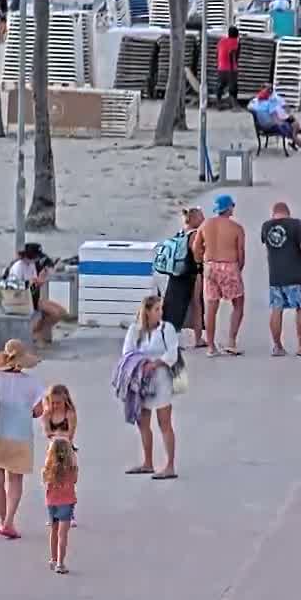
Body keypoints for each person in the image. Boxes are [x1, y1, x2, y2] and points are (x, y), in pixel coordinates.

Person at [0, 339, 47, 540]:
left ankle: (3, 522)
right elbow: (39, 410)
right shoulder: (32, 382)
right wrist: (26, 412)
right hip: (21, 436)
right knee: (15, 481)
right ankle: (9, 521)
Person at [118, 294, 182, 479]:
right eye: (156, 309)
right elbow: (127, 352)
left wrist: (155, 363)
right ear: (147, 311)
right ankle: (148, 462)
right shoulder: (135, 330)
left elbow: (172, 354)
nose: (160, 313)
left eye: (161, 309)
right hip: (141, 379)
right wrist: (142, 364)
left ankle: (170, 465)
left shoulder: (166, 328)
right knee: (143, 422)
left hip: (161, 379)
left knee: (165, 422)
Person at [260, 201, 301, 356]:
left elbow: (268, 246)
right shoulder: (296, 224)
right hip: (295, 275)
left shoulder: (266, 226)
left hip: (276, 276)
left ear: (274, 213)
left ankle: (277, 347)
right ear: (288, 212)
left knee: (276, 309)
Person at [198, 194, 247, 355]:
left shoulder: (205, 225)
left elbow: (195, 246)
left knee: (211, 307)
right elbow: (240, 253)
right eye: (233, 205)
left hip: (210, 266)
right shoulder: (237, 228)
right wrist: (237, 269)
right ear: (229, 208)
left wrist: (202, 262)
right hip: (229, 266)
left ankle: (211, 347)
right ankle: (231, 341)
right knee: (238, 304)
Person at [161, 207, 208, 348]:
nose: (204, 219)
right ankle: (197, 339)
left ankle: (169, 338)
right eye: (201, 216)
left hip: (176, 272)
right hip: (191, 273)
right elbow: (197, 255)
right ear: (193, 219)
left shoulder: (181, 233)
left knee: (174, 305)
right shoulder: (195, 234)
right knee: (196, 306)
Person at [4, 242, 67, 345]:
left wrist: (41, 279)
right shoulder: (18, 267)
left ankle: (37, 331)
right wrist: (34, 283)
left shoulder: (31, 265)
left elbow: (34, 284)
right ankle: (36, 333)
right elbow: (15, 289)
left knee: (61, 311)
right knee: (54, 314)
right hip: (20, 300)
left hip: (32, 297)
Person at [43, 437, 77, 574]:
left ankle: (53, 558)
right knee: (63, 535)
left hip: (52, 503)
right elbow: (75, 480)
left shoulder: (48, 469)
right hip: (66, 503)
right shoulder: (72, 468)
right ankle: (60, 563)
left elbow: (44, 480)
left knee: (54, 532)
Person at [248, 86, 301, 153]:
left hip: (261, 126)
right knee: (289, 126)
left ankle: (300, 144)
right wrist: (281, 122)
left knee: (291, 125)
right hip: (269, 126)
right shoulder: (270, 102)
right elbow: (274, 116)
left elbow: (250, 107)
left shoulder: (257, 102)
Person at [215, 25, 242, 110]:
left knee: (220, 86)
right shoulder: (236, 43)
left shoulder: (221, 41)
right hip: (231, 68)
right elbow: (235, 56)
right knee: (233, 87)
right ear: (237, 34)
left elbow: (218, 52)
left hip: (221, 67)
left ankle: (218, 103)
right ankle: (234, 105)